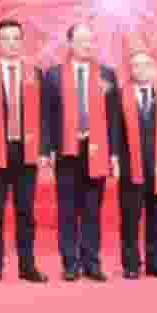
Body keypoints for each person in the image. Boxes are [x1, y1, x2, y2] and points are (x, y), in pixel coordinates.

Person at [0, 19, 47, 283]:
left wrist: (44, 149)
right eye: (6, 38)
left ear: (22, 41)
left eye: (16, 38)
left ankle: (28, 266)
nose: (11, 43)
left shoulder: (35, 73)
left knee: (26, 213)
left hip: (27, 151)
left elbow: (44, 115)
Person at [43, 23, 118, 283]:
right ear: (70, 43)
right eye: (81, 40)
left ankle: (92, 263)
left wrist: (114, 153)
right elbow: (46, 115)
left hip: (97, 151)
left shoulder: (107, 74)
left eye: (90, 40)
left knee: (92, 210)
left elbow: (114, 118)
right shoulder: (53, 75)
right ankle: (70, 263)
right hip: (66, 150)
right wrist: (47, 149)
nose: (87, 44)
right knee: (67, 209)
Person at [110, 39, 157, 281]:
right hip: (131, 167)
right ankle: (131, 264)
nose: (140, 69)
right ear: (130, 70)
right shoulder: (119, 96)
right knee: (130, 218)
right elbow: (113, 130)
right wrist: (114, 159)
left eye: (145, 65)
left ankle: (156, 263)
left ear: (154, 68)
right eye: (136, 65)